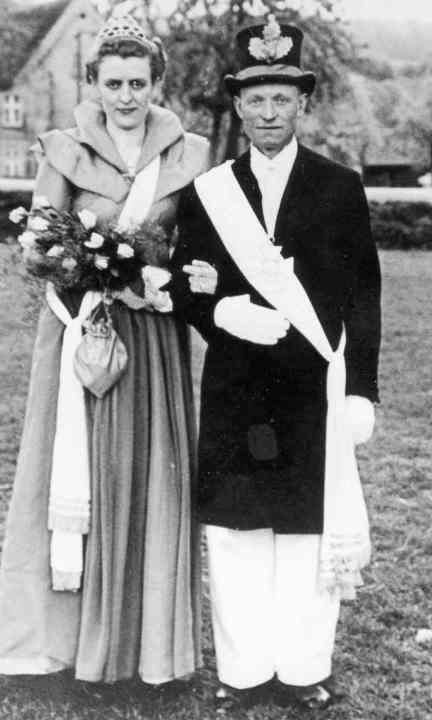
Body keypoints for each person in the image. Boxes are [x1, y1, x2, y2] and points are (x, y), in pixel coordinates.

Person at [0, 13, 216, 687]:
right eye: (113, 83)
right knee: (74, 473)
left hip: (152, 337)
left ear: (158, 84)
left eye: (138, 83)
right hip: (80, 329)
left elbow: (199, 248)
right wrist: (96, 271)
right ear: (93, 83)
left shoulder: (189, 153)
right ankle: (57, 645)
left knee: (150, 476)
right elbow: (38, 247)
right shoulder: (65, 148)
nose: (126, 96)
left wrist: (162, 281)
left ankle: (148, 651)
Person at [168, 14, 381, 710]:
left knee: (303, 531)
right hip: (236, 386)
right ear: (237, 104)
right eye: (255, 98)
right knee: (236, 531)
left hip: (308, 387)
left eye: (281, 98)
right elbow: (186, 285)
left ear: (302, 103)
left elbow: (364, 294)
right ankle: (243, 672)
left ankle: (303, 670)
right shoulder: (209, 192)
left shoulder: (338, 186)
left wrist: (362, 389)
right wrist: (221, 313)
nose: (268, 112)